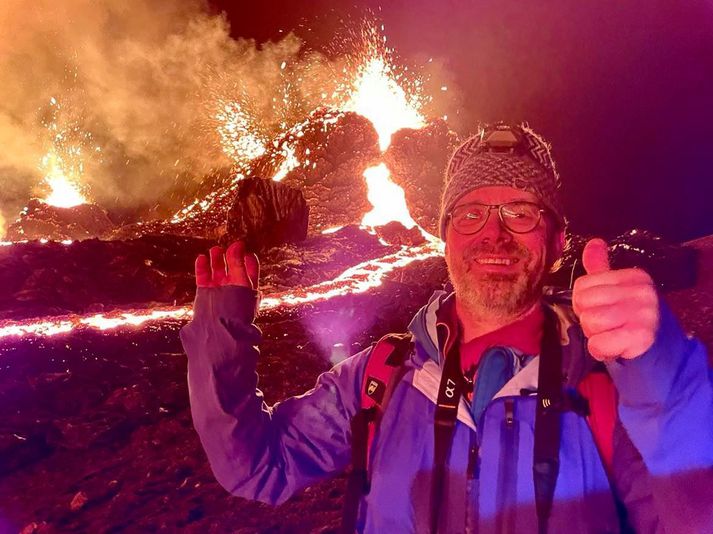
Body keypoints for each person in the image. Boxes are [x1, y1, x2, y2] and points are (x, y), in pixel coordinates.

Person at [180, 122, 713, 533]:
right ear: (444, 238)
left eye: (521, 213)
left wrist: (665, 377)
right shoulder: (380, 377)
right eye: (470, 214)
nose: (494, 235)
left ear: (556, 245)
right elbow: (257, 466)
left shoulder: (613, 386)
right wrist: (220, 334)